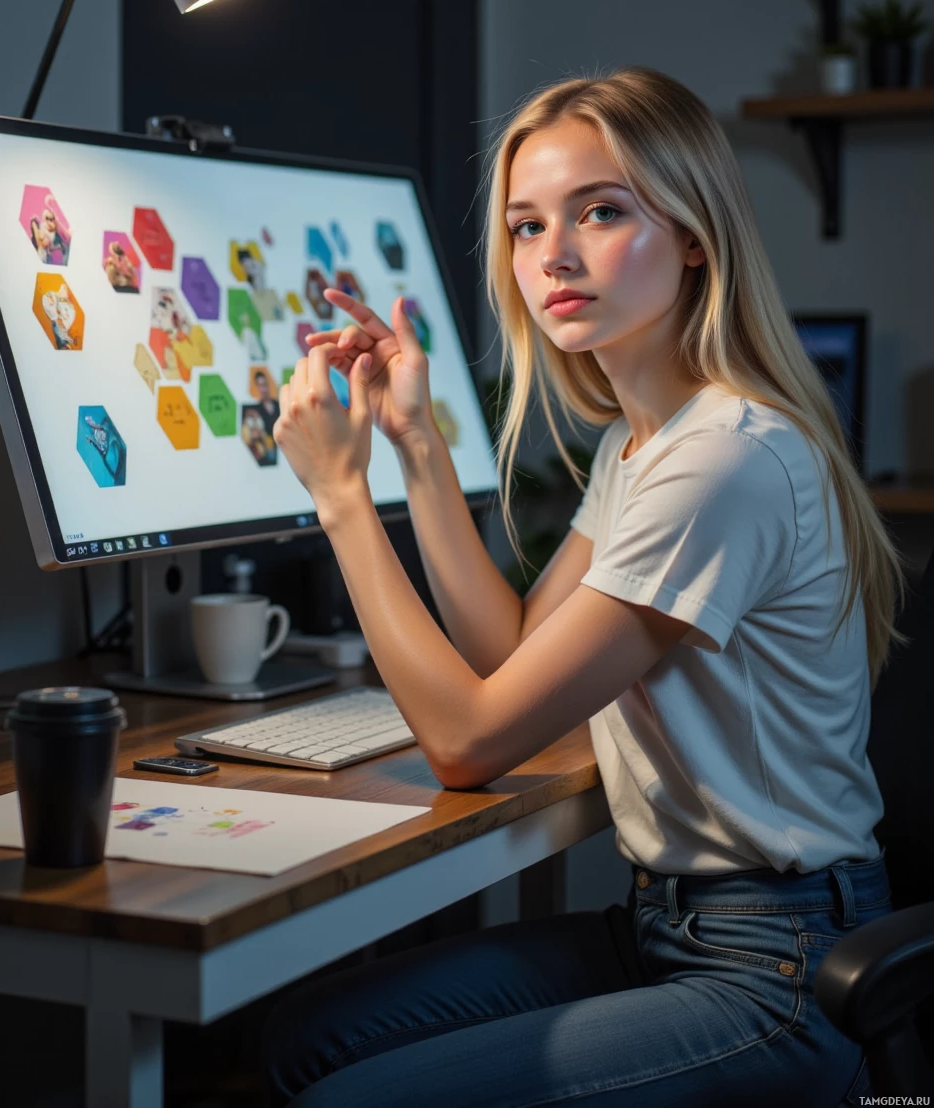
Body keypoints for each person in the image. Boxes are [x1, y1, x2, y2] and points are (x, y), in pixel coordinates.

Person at [259, 69, 910, 1107]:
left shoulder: (724, 461)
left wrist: (342, 498)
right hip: (665, 926)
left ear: (693, 234)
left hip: (777, 968)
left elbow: (468, 742)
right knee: (296, 1045)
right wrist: (415, 444)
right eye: (525, 226)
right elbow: (513, 653)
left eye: (600, 212)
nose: (552, 255)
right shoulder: (638, 446)